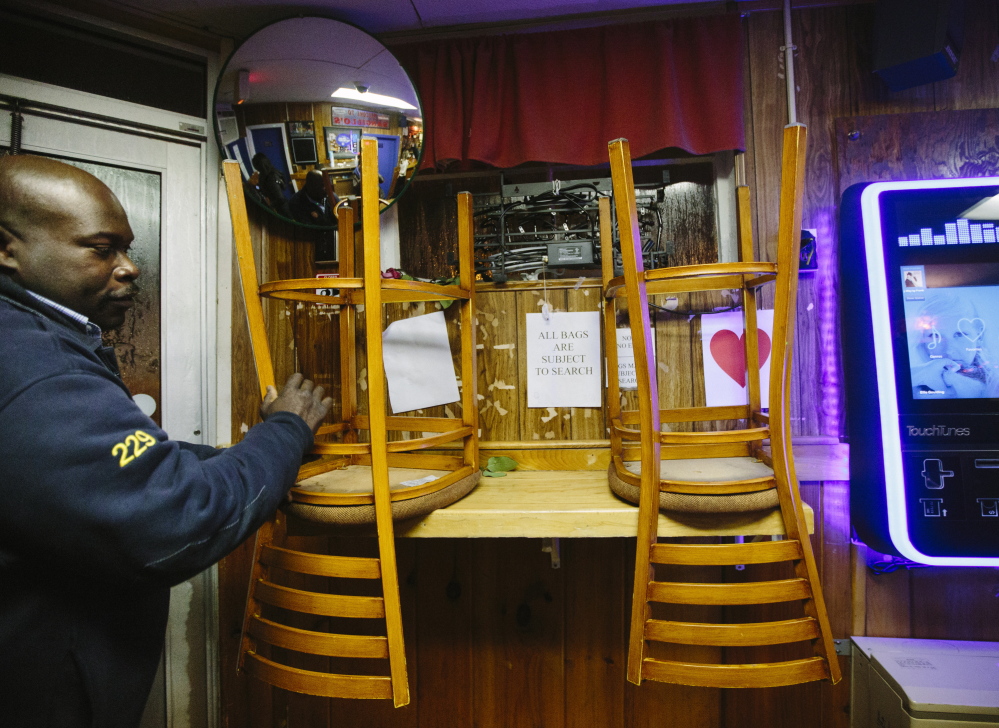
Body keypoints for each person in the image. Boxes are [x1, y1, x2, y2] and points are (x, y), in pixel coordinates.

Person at [0, 154, 333, 728]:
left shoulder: (38, 339)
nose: (129, 268)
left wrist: (250, 455)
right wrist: (287, 430)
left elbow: (128, 469)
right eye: (101, 249)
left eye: (126, 249)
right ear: (7, 250)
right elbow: (174, 512)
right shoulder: (38, 369)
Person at [250, 152, 292, 219]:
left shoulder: (272, 177)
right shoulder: (262, 175)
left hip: (282, 208)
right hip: (277, 206)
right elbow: (262, 188)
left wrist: (271, 205)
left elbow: (280, 198)